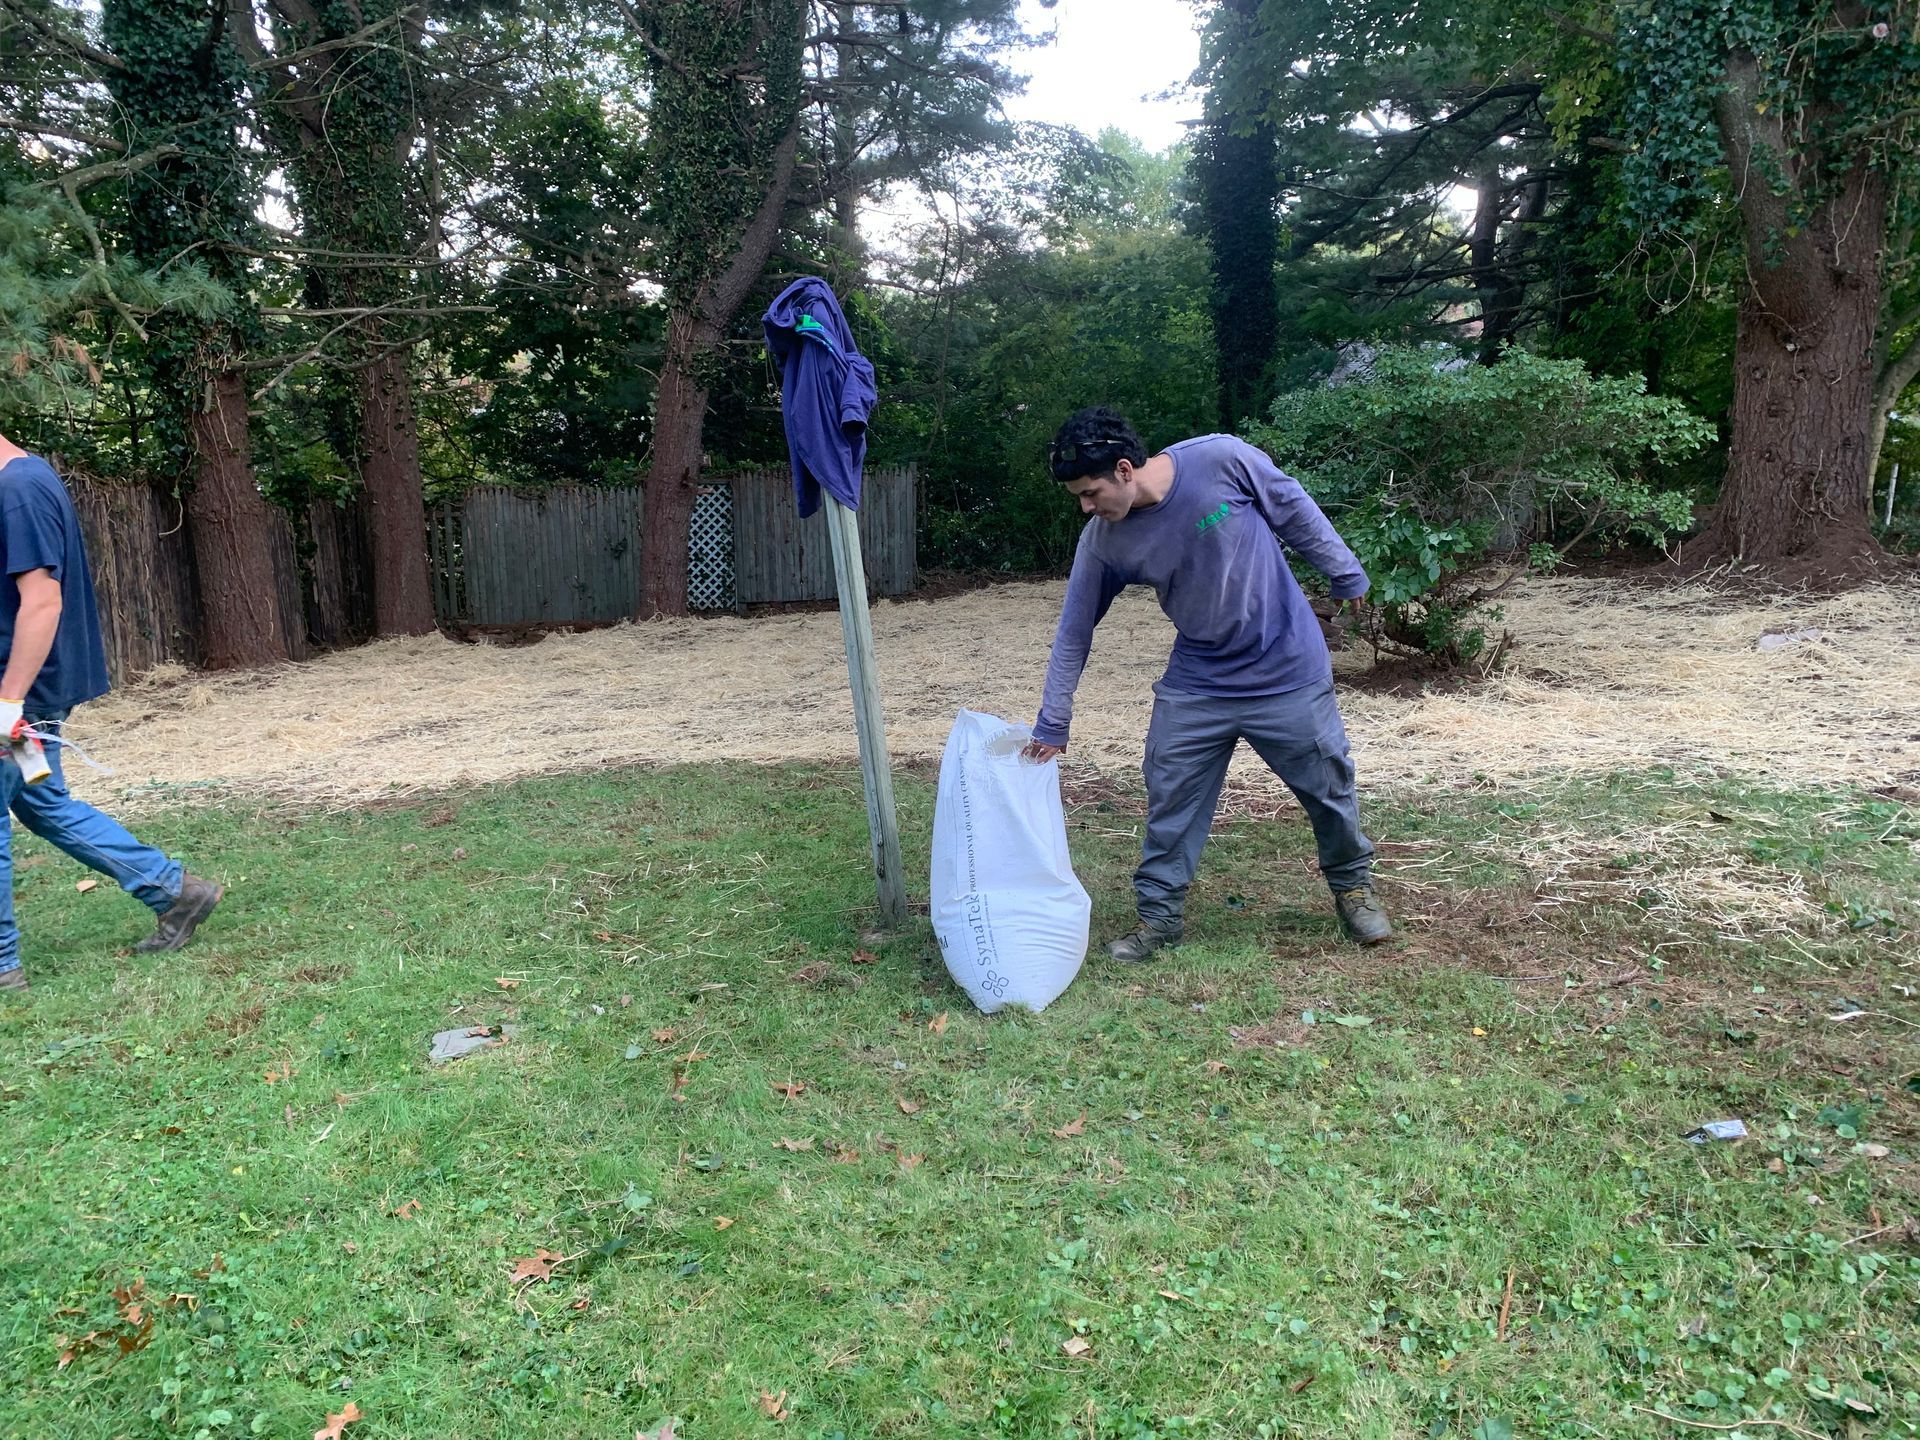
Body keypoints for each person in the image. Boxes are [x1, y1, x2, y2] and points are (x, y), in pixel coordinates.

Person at [1020, 406, 1392, 961]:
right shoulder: (1104, 542)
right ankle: (1159, 918)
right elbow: (1074, 631)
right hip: (1199, 679)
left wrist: (1343, 570)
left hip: (1285, 666)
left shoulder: (1221, 459)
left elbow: (1292, 508)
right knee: (1170, 795)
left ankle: (1354, 889)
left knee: (1328, 788)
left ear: (1125, 470)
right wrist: (1054, 718)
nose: (1086, 507)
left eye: (1090, 492)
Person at [0, 434, 222, 993]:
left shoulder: (18, 490)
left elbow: (43, 600)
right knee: (43, 803)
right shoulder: (24, 478)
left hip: (14, 694)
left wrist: (8, 704)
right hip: (25, 697)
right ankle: (174, 891)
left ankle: (3, 967)